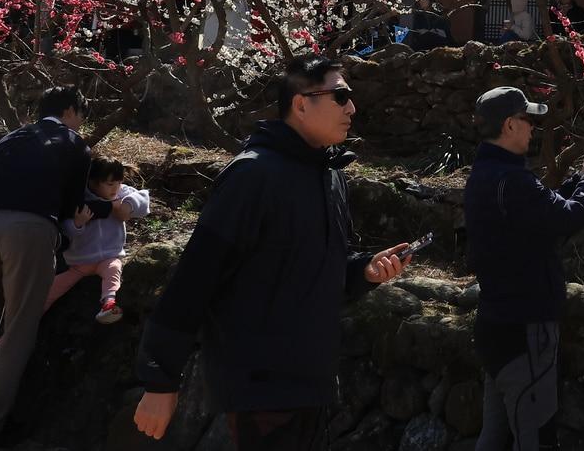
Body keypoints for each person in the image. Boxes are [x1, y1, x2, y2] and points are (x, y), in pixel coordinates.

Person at [133, 55, 412, 450]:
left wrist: (364, 271)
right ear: (301, 103)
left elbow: (315, 271)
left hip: (311, 379)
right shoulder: (253, 175)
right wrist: (160, 380)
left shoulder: (329, 175)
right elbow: (195, 276)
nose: (352, 107)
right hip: (262, 383)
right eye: (341, 95)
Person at [464, 87, 584, 450]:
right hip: (525, 328)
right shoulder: (513, 180)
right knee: (535, 437)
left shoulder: (486, 174)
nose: (534, 128)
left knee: (496, 434)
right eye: (529, 120)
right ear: (511, 125)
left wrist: (583, 177)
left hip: (496, 321)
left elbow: (543, 209)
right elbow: (565, 217)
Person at [0, 86, 92, 449]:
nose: (82, 120)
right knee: (17, 328)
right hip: (29, 228)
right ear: (69, 111)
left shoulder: (9, 138)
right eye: (81, 112)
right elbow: (71, 203)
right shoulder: (73, 142)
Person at [44, 155, 150, 324]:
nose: (115, 188)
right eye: (109, 184)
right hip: (79, 263)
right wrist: (78, 224)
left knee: (114, 269)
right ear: (93, 182)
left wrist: (127, 205)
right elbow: (67, 232)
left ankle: (108, 303)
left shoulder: (122, 193)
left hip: (109, 255)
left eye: (118, 182)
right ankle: (19, 326)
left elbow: (143, 200)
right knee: (51, 290)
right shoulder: (80, 199)